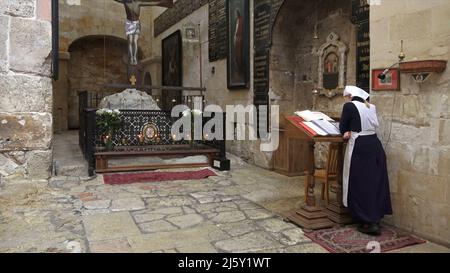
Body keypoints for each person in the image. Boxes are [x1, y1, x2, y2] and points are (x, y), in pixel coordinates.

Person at [339, 86, 393, 236]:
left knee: (360, 183)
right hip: (374, 145)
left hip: (360, 147)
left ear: (350, 96)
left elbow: (342, 127)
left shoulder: (349, 106)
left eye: (346, 97)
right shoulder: (371, 106)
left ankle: (367, 221)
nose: (346, 100)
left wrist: (346, 131)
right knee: (375, 182)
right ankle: (375, 218)